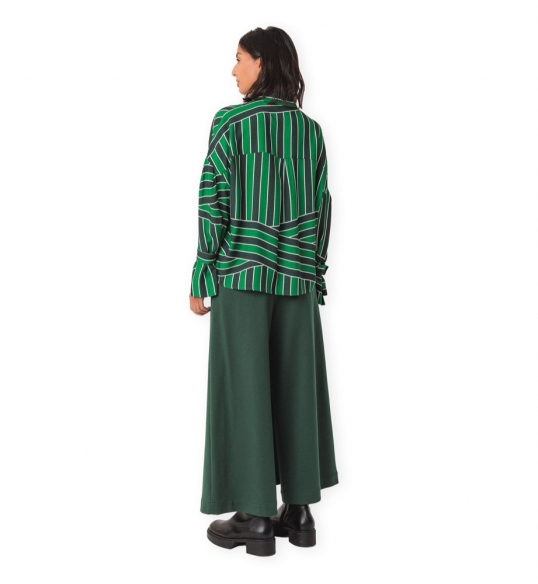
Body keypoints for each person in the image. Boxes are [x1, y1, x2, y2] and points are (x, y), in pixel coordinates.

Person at [188, 26, 338, 557]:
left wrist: (203, 269)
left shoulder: (230, 122)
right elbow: (322, 205)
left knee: (244, 387)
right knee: (297, 387)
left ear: (261, 62)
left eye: (239, 59)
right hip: (297, 277)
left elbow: (214, 196)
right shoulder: (310, 131)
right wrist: (314, 272)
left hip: (242, 274)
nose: (233, 70)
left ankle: (253, 516)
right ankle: (299, 511)